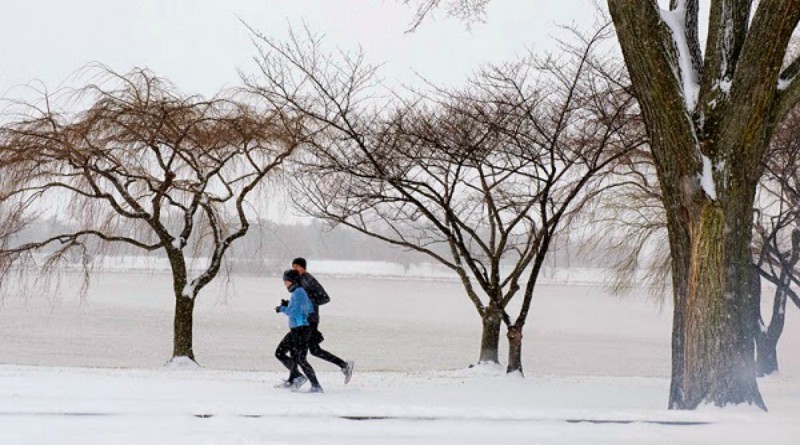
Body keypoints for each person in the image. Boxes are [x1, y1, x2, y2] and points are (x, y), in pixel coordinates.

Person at [291, 257, 354, 384]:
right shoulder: (299, 280)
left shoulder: (309, 280)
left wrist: (310, 304)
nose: (294, 269)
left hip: (311, 320)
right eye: (293, 267)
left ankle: (300, 380)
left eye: (296, 267)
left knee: (299, 352)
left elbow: (325, 298)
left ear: (303, 267)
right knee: (313, 350)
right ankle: (344, 365)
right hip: (304, 320)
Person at [274, 269, 323, 393]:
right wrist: (288, 304)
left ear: (292, 281)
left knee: (296, 357)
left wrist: (282, 308)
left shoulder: (299, 292)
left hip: (301, 330)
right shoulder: (298, 292)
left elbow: (295, 312)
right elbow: (306, 308)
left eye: (286, 281)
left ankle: (311, 383)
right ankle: (297, 378)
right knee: (290, 355)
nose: (285, 283)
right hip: (298, 329)